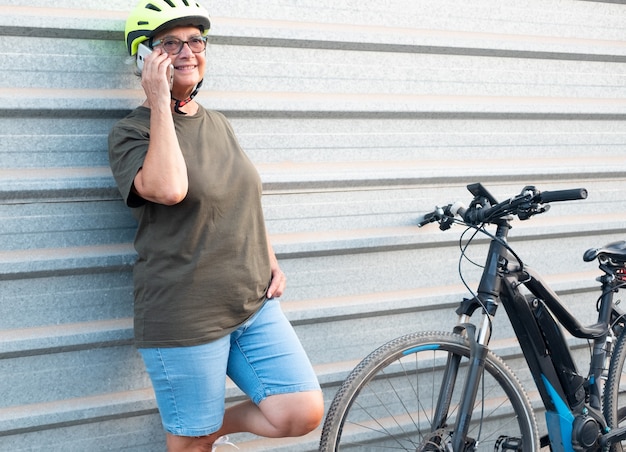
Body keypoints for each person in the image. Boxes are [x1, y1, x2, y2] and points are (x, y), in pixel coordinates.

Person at [108, 1, 324, 450]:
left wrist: (270, 259)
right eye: (170, 43)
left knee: (300, 411)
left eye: (195, 40)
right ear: (143, 58)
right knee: (192, 445)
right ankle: (194, 429)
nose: (187, 51)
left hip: (251, 303)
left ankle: (204, 424)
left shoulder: (219, 123)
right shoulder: (131, 132)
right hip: (184, 314)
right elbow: (168, 189)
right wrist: (159, 103)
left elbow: (241, 196)